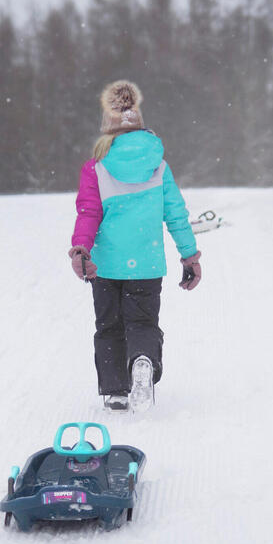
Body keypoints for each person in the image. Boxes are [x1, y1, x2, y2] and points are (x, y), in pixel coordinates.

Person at [68, 80, 202, 413]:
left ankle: (115, 390)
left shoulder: (96, 167)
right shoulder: (158, 165)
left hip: (106, 265)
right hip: (146, 263)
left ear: (107, 130)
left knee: (109, 326)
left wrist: (81, 249)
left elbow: (89, 212)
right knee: (142, 323)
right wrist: (189, 255)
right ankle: (142, 359)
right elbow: (176, 213)